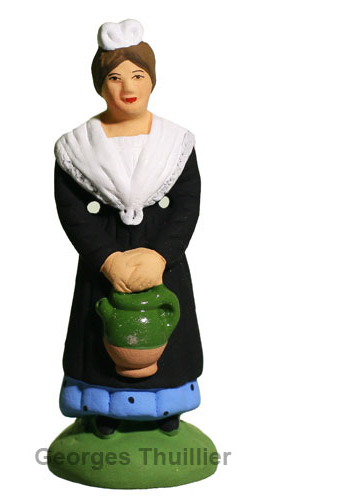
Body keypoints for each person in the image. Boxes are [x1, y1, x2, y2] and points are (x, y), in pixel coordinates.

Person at [54, 19, 203, 436]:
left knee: (168, 328)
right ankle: (102, 405)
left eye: (137, 75)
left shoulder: (176, 142)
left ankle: (168, 401)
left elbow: (187, 204)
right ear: (100, 84)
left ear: (152, 79)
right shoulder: (76, 147)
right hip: (105, 258)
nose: (127, 88)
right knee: (98, 330)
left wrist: (161, 256)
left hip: (162, 259)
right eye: (115, 78)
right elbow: (72, 210)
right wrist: (106, 259)